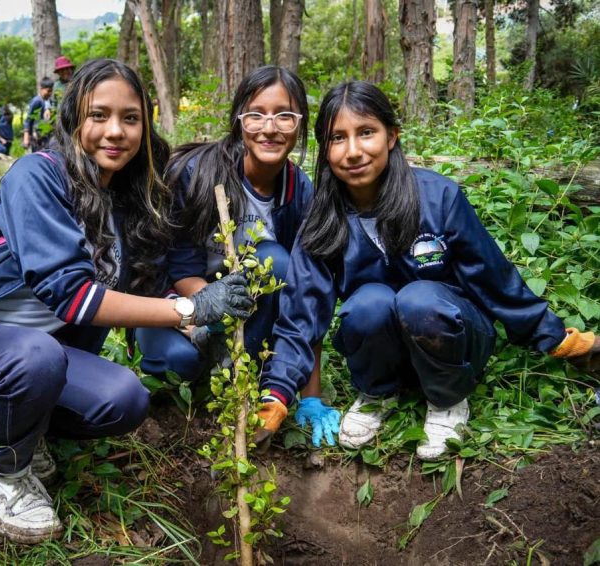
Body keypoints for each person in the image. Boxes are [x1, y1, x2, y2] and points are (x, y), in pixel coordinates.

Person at [0, 59, 253, 544]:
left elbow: (135, 291)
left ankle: (22, 425)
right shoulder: (36, 175)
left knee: (125, 400)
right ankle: (5, 473)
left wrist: (201, 329)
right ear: (74, 116)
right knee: (37, 354)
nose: (115, 131)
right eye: (99, 115)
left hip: (30, 355)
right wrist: (189, 309)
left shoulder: (119, 199)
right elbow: (72, 296)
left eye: (130, 118)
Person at [255, 80, 600, 460]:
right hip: (382, 343)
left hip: (453, 331)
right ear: (326, 149)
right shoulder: (323, 218)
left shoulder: (437, 196)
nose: (353, 151)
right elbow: (301, 313)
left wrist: (556, 337)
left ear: (391, 136)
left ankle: (448, 399)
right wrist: (277, 394)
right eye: (338, 138)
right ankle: (377, 392)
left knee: (418, 298)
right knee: (367, 302)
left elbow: (493, 279)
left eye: (366, 132)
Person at [134, 66, 336, 447]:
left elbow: (306, 293)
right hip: (177, 308)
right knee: (179, 365)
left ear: (300, 125)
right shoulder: (198, 173)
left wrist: (311, 395)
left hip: (246, 314)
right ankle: (211, 368)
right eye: (256, 114)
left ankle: (240, 373)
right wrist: (209, 309)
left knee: (275, 260)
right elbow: (177, 265)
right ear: (239, 120)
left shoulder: (297, 190)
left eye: (285, 116)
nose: (269, 127)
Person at [22, 77, 55, 152]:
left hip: (47, 135)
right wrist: (26, 137)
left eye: (51, 91)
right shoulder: (37, 101)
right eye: (48, 91)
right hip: (36, 135)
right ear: (41, 89)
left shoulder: (50, 101)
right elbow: (28, 119)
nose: (50, 93)